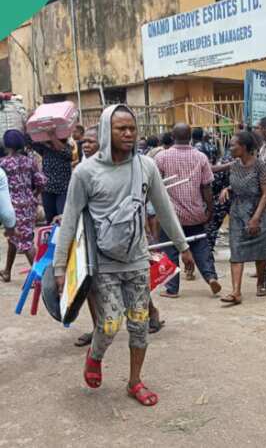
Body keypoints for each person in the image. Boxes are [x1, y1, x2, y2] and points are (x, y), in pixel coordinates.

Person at [53, 104, 193, 407]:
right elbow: (69, 219)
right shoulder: (85, 172)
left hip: (137, 260)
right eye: (121, 128)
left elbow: (165, 210)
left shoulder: (146, 167)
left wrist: (183, 247)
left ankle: (135, 381)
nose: (129, 133)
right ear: (107, 131)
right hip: (102, 263)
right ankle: (96, 355)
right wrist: (59, 267)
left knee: (140, 323)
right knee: (109, 323)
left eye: (132, 128)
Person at [71, 126, 165, 347]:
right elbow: (75, 207)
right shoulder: (82, 171)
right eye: (84, 142)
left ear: (103, 141)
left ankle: (150, 313)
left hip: (130, 242)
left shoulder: (135, 167)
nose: (87, 145)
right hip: (98, 247)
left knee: (136, 293)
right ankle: (99, 331)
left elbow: (138, 207)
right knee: (95, 293)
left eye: (91, 141)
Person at [154, 123, 221, 298]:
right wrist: (209, 209)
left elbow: (156, 185)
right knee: (200, 245)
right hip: (195, 212)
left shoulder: (162, 157)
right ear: (190, 136)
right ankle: (210, 276)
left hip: (171, 214)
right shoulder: (200, 157)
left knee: (170, 249)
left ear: (172, 136)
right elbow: (206, 186)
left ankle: (172, 288)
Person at [218, 131, 266, 305]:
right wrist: (228, 189)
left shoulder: (261, 166)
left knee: (260, 253)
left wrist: (256, 218)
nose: (230, 148)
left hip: (257, 211)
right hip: (237, 212)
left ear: (245, 147)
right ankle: (236, 292)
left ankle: (261, 282)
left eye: (234, 145)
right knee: (236, 250)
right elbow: (237, 184)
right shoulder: (234, 165)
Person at [0, 130, 46, 282]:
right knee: (14, 238)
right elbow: (40, 181)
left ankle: (39, 278)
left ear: (6, 145)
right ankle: (7, 271)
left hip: (12, 206)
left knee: (25, 242)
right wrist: (33, 195)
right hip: (29, 205)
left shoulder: (3, 164)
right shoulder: (29, 161)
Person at [31, 129, 73, 223]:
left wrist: (52, 135)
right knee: (50, 219)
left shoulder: (67, 148)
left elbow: (64, 152)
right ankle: (52, 237)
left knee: (63, 219)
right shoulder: (45, 149)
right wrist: (29, 125)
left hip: (63, 190)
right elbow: (29, 140)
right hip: (47, 190)